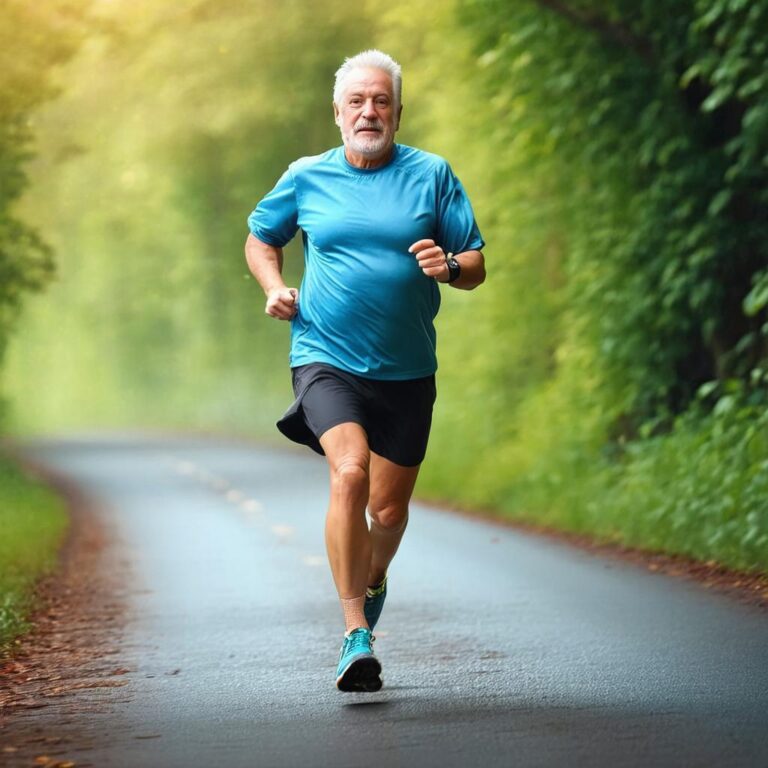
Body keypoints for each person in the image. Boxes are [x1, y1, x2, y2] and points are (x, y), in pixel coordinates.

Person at [245, 49, 485, 693]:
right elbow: (261, 237)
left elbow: (475, 261)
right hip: (325, 356)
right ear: (337, 113)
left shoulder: (432, 175)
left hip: (408, 369)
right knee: (348, 472)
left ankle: (372, 578)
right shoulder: (306, 177)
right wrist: (273, 284)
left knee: (389, 509)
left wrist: (450, 268)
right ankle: (356, 631)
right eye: (357, 101)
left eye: (381, 101)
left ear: (399, 113)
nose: (368, 111)